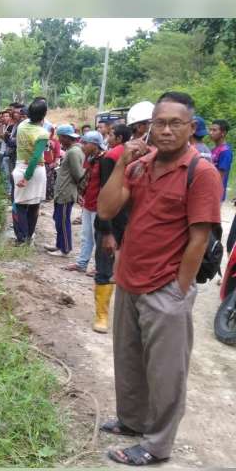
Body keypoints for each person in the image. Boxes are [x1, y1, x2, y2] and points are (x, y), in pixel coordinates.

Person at [97, 91, 222, 466]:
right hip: (130, 279)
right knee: (129, 359)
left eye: (175, 124)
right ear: (150, 127)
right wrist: (122, 165)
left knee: (166, 372)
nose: (166, 131)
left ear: (191, 128)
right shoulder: (141, 165)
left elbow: (199, 239)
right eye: (159, 123)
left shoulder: (201, 173)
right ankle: (132, 421)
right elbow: (106, 207)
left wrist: (179, 289)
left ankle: (157, 444)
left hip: (166, 287)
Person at [91, 123, 133, 333]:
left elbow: (103, 194)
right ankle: (102, 314)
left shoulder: (112, 157)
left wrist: (106, 231)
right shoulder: (117, 156)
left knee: (107, 268)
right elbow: (106, 195)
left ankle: (104, 316)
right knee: (108, 267)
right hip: (116, 221)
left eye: (111, 134)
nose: (107, 137)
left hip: (120, 222)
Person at [63, 131, 106, 273]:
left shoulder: (104, 160)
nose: (82, 146)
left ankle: (100, 266)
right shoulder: (92, 159)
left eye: (85, 143)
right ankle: (82, 263)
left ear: (94, 145)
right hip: (89, 202)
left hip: (99, 204)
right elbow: (86, 179)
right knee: (86, 235)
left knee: (98, 237)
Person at [12, 98, 48, 244]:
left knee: (20, 203)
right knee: (34, 205)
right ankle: (28, 237)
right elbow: (35, 157)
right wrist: (27, 177)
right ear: (44, 115)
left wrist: (25, 176)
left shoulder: (22, 126)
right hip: (36, 170)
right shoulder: (42, 133)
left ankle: (22, 237)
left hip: (20, 167)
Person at [44, 124, 83, 256]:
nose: (59, 141)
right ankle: (59, 244)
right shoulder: (71, 150)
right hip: (61, 192)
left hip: (66, 192)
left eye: (60, 138)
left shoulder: (73, 152)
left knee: (63, 221)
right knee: (58, 218)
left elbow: (78, 174)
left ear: (67, 137)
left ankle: (65, 249)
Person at [209, 119, 233, 201]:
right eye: (210, 130)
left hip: (215, 194)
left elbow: (220, 175)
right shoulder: (214, 149)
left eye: (214, 130)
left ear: (223, 133)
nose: (211, 133)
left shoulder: (225, 151)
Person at [44, 125, 61, 201]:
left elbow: (57, 152)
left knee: (49, 181)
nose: (48, 132)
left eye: (49, 131)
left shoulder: (55, 141)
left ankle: (49, 196)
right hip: (40, 163)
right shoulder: (41, 140)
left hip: (49, 164)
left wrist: (55, 162)